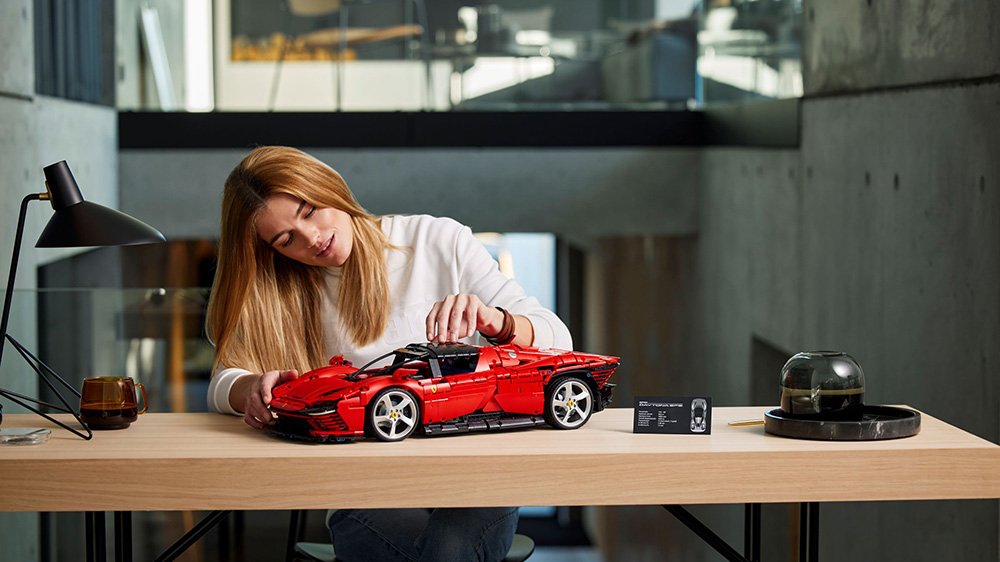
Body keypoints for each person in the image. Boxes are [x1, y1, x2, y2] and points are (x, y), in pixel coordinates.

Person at [205, 146, 573, 562]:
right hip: (365, 484)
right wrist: (252, 387)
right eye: (287, 239)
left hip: (475, 472)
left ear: (329, 187)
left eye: (310, 211)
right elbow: (223, 383)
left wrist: (498, 323)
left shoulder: (436, 241)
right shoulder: (280, 293)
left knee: (447, 551)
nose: (312, 238)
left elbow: (559, 340)